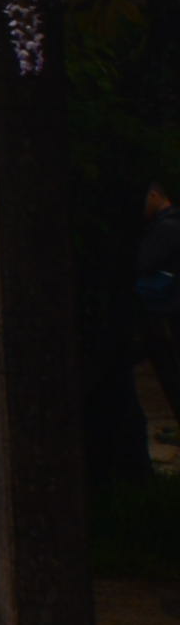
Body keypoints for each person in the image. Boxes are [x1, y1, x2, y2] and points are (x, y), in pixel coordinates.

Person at [137, 178, 180, 469]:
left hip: (169, 308)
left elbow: (144, 263)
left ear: (154, 195)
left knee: (172, 368)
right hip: (170, 307)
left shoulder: (167, 227)